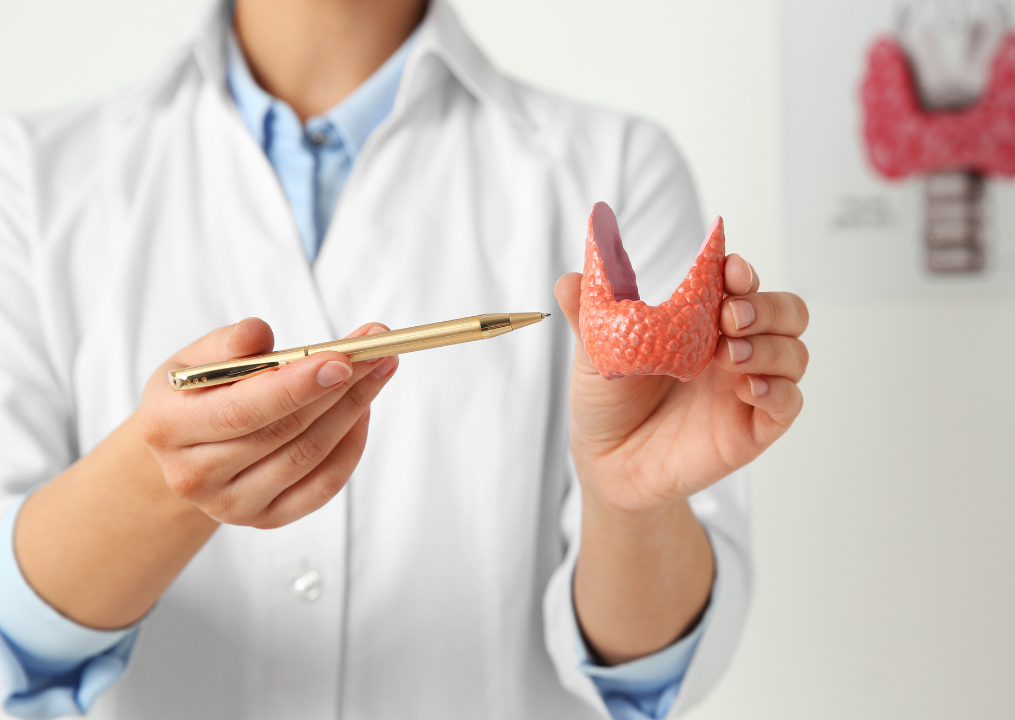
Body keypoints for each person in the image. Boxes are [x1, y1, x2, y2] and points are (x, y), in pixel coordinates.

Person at [0, 0, 810, 717]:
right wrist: (158, 481)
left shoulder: (619, 165)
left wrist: (628, 505)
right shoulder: (29, 178)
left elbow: (648, 679)